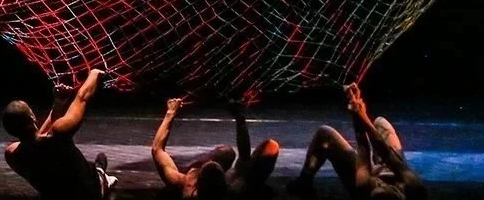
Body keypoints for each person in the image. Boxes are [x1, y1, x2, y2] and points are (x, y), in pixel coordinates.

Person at [287, 83, 427, 199]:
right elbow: (385, 152)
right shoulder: (413, 187)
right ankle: (380, 163)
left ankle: (303, 183)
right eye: (382, 186)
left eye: (377, 186)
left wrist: (357, 112)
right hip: (393, 170)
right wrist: (360, 112)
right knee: (381, 122)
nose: (379, 184)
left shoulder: (364, 188)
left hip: (373, 176)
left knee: (325, 134)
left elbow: (362, 145)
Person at [2, 67, 116, 199]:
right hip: (89, 194)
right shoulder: (58, 135)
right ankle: (102, 177)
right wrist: (94, 74)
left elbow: (36, 141)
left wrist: (58, 103)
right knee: (98, 162)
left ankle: (99, 171)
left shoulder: (11, 154)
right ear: (33, 117)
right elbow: (82, 98)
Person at [151, 97, 280, 197]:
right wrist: (239, 117)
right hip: (244, 185)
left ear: (197, 182)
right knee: (269, 148)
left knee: (227, 153)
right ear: (224, 181)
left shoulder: (186, 185)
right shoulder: (235, 188)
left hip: (198, 182)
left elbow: (157, 150)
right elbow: (244, 157)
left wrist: (171, 112)